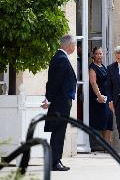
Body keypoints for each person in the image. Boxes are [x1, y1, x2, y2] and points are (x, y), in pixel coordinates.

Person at [41, 35, 77, 171]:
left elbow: (52, 82)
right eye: (73, 45)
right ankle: (55, 162)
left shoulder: (59, 57)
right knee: (58, 132)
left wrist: (48, 98)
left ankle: (55, 161)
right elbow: (55, 82)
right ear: (68, 45)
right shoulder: (61, 59)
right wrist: (48, 99)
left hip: (60, 101)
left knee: (58, 132)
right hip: (60, 102)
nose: (74, 47)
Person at [89, 47, 113, 151]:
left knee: (109, 120)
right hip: (99, 98)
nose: (99, 56)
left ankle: (107, 146)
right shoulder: (92, 67)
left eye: (101, 53)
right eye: (97, 54)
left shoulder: (103, 66)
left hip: (107, 97)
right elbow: (93, 83)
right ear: (93, 55)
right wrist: (99, 96)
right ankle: (104, 145)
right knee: (102, 121)